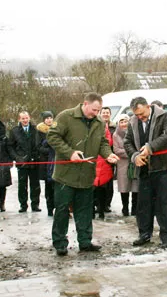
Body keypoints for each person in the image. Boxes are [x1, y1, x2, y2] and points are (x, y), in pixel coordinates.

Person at [48, 93, 119, 256]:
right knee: (62, 209)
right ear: (85, 104)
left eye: (99, 110)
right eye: (94, 109)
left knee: (85, 210)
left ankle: (85, 241)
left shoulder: (100, 122)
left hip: (87, 174)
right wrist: (69, 153)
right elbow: (52, 136)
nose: (96, 113)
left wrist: (108, 154)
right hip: (65, 175)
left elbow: (102, 142)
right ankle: (60, 242)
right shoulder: (66, 116)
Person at [124, 96, 167, 248]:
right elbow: (127, 142)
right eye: (137, 115)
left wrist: (150, 147)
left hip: (163, 167)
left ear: (148, 106)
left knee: (163, 204)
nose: (140, 118)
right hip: (144, 169)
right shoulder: (133, 121)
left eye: (142, 114)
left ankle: (166, 237)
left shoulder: (164, 116)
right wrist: (135, 156)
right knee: (143, 204)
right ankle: (144, 234)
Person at [7, 111, 42, 213]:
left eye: (26, 118)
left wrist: (36, 156)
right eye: (23, 118)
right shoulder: (14, 131)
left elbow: (38, 144)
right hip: (21, 163)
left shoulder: (35, 130)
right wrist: (17, 158)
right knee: (22, 185)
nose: (25, 120)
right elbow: (10, 146)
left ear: (29, 118)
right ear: (19, 119)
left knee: (35, 185)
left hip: (34, 162)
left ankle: (35, 204)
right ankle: (23, 205)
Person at [112, 114, 138, 216]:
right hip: (122, 164)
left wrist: (133, 153)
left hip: (134, 162)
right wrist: (131, 153)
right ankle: (125, 207)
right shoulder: (115, 135)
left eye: (125, 121)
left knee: (135, 186)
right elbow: (116, 150)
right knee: (124, 187)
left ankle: (135, 208)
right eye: (121, 122)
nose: (124, 124)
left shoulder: (134, 133)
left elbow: (138, 147)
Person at [36, 111, 57, 216]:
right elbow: (39, 147)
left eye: (50, 118)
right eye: (47, 118)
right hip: (46, 162)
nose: (49, 120)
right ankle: (49, 207)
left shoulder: (57, 128)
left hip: (56, 161)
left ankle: (58, 207)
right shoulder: (40, 131)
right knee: (48, 187)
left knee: (57, 186)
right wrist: (50, 150)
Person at [100, 107, 115, 213]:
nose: (105, 114)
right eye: (103, 112)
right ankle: (98, 204)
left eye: (107, 113)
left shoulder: (114, 127)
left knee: (108, 184)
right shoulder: (97, 125)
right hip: (99, 158)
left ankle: (107, 204)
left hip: (110, 157)